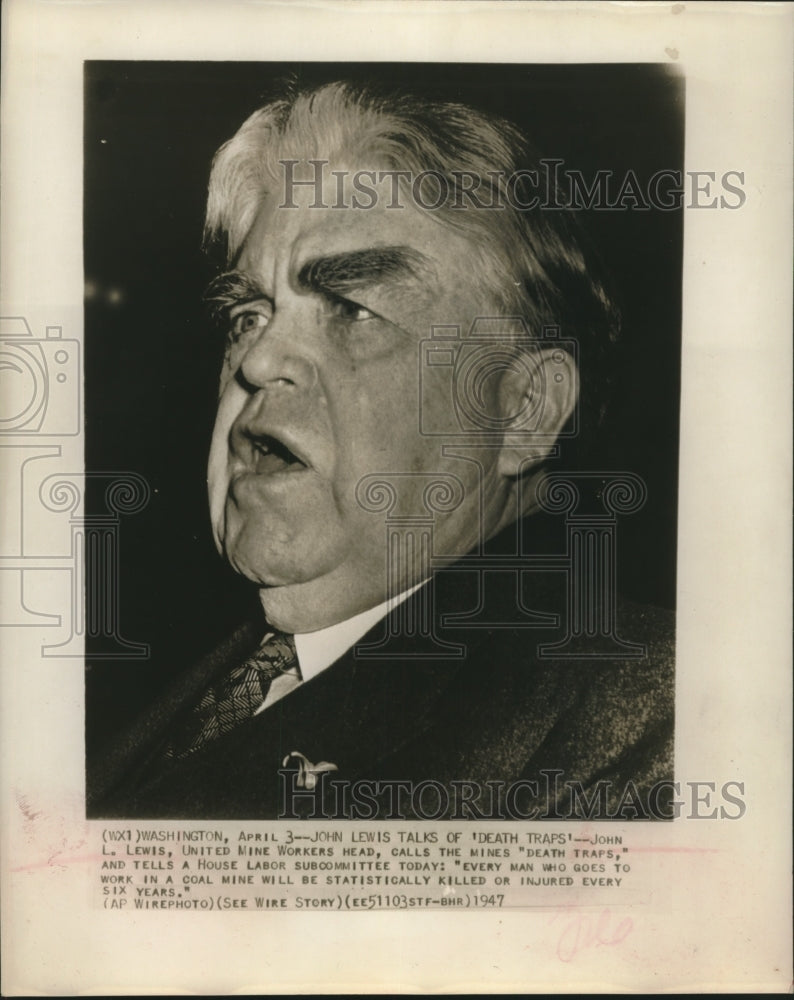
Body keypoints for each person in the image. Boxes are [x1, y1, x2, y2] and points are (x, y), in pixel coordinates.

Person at [87, 80, 674, 820]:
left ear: (524, 411)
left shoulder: (648, 727)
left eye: (354, 310)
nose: (259, 360)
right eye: (247, 313)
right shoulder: (167, 680)